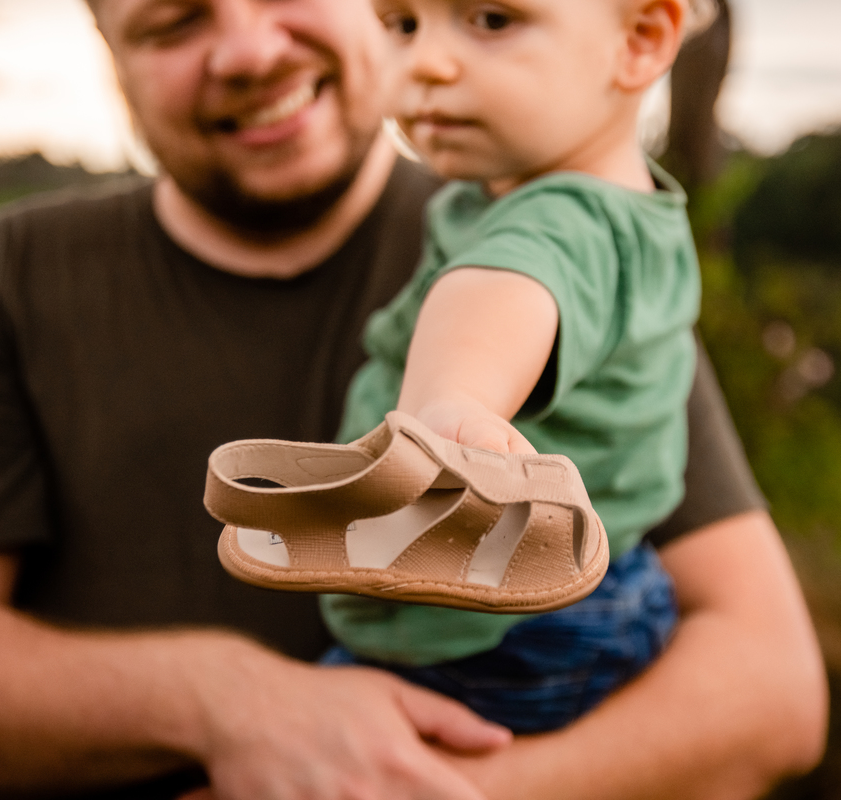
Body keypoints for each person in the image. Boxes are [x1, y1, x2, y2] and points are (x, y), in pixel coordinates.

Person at [0, 0, 827, 798]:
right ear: (106, 41)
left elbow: (771, 689)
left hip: (514, 653)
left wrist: (450, 417)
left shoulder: (542, 214)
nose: (247, 48)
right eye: (173, 22)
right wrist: (230, 702)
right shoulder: (11, 270)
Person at [299, 0, 705, 733]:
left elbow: (502, 290)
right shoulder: (609, 209)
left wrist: (449, 409)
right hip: (581, 593)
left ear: (641, 41)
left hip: (504, 632)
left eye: (491, 19)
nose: (426, 63)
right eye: (402, 24)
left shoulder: (567, 219)